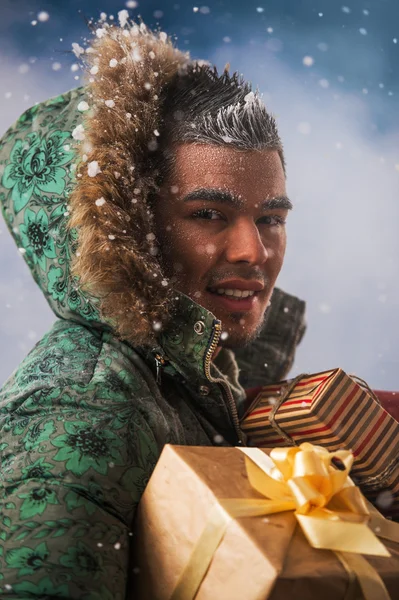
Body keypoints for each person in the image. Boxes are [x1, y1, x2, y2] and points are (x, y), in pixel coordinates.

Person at [0, 21, 306, 598]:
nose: (253, 251)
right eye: (209, 215)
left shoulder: (202, 378)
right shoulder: (82, 409)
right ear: (132, 230)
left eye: (270, 218)